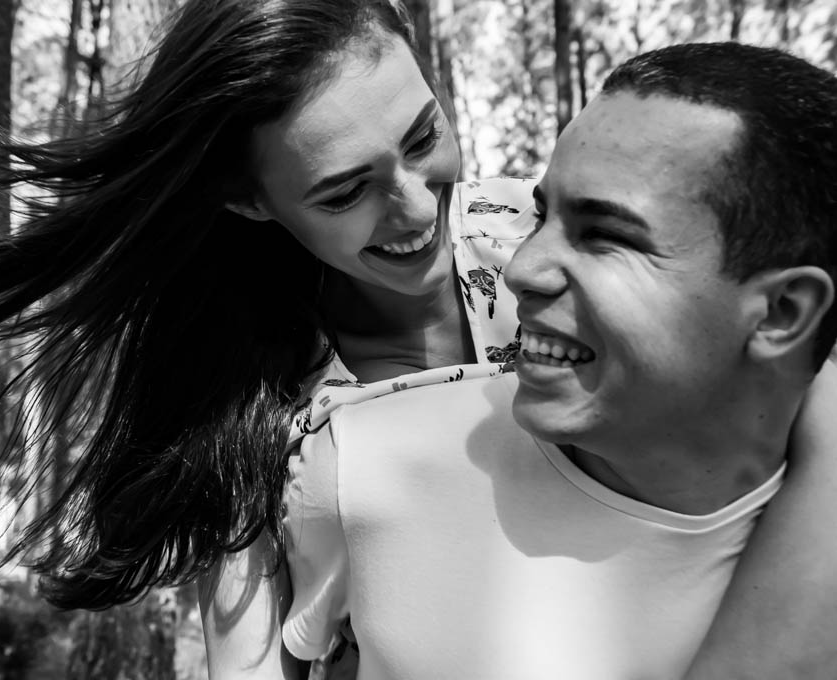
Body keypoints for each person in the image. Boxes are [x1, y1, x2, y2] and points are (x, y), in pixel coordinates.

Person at [0, 0, 833, 676]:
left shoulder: (531, 232)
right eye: (345, 188)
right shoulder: (272, 425)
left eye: (423, 137)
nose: (416, 206)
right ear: (251, 201)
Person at [282, 41, 837, 679]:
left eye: (606, 236)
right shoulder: (354, 464)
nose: (522, 268)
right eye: (540, 214)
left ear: (782, 313)